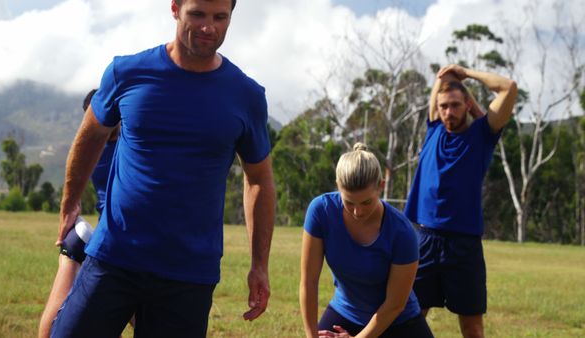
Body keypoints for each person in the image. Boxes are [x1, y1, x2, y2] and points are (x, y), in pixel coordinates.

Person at [50, 0, 276, 336]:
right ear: (175, 8)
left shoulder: (246, 96)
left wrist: (259, 265)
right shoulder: (126, 73)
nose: (208, 27)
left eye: (220, 17)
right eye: (197, 14)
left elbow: (258, 180)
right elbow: (90, 136)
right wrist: (70, 203)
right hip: (115, 256)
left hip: (188, 274)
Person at [404, 64, 518, 338]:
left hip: (464, 245)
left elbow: (508, 88)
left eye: (455, 105)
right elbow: (442, 79)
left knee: (472, 329)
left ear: (467, 104)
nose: (448, 112)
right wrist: (447, 76)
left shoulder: (482, 135)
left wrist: (466, 72)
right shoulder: (433, 129)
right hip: (426, 240)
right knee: (409, 319)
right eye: (443, 106)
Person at [300, 143, 434, 338]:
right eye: (349, 202)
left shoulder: (402, 232)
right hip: (346, 312)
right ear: (338, 185)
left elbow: (395, 304)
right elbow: (309, 282)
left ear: (381, 186)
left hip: (398, 321)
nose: (357, 212)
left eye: (366, 202)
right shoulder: (321, 211)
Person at [37, 89, 121, 338]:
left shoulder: (92, 148)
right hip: (113, 239)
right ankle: (70, 254)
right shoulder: (126, 144)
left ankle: (71, 252)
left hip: (100, 233)